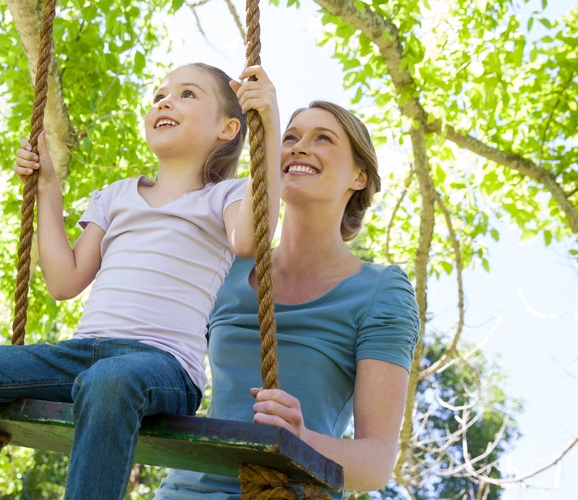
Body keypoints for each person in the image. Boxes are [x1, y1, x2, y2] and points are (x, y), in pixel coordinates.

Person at [0, 62, 280, 500]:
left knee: (109, 379)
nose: (165, 100)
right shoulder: (116, 196)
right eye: (160, 95)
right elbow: (65, 281)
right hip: (78, 357)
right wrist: (47, 188)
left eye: (188, 94)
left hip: (162, 366)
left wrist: (269, 124)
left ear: (228, 128)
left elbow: (249, 239)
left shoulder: (225, 196)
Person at [155, 67, 420, 499]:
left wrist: (300, 439)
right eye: (291, 137)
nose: (300, 147)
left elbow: (374, 465)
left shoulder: (380, 292)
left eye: (323, 138)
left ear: (359, 178)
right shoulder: (229, 264)